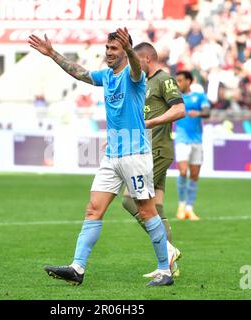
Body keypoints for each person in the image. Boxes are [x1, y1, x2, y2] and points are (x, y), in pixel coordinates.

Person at [29, 28, 174, 286]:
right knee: (93, 209)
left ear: (125, 52)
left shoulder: (134, 76)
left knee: (146, 210)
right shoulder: (106, 76)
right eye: (107, 49)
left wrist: (129, 48)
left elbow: (137, 67)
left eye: (114, 49)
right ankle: (77, 267)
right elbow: (81, 73)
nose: (109, 53)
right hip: (112, 156)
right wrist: (52, 54)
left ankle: (165, 270)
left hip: (135, 154)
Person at [121, 42, 185, 279]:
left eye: (135, 61)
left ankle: (168, 251)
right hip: (147, 149)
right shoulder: (144, 83)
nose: (132, 67)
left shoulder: (164, 80)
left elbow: (179, 110)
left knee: (129, 199)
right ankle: (170, 266)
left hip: (157, 150)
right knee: (155, 207)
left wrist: (152, 122)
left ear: (147, 58)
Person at [174, 70, 210, 221]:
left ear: (189, 81)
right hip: (182, 139)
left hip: (197, 140)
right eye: (177, 81)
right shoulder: (176, 98)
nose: (178, 83)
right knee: (183, 171)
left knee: (194, 175)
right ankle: (181, 205)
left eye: (181, 80)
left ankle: (189, 208)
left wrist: (199, 114)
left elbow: (207, 112)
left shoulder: (199, 96)